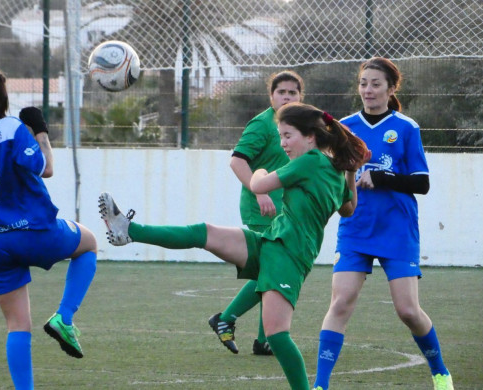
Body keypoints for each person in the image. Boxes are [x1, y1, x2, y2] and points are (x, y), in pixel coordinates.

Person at [99, 101, 370, 389]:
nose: (283, 144)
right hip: (271, 241)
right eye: (280, 136)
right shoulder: (332, 169)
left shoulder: (309, 162)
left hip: (288, 256)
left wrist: (261, 170)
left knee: (277, 336)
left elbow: (257, 186)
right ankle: (128, 230)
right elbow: (350, 207)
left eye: (288, 136)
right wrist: (351, 172)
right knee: (204, 233)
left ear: (311, 136)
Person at [312, 57, 454, 390]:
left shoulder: (406, 127)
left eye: (376, 84)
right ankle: (320, 385)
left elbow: (421, 183)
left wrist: (383, 176)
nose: (368, 90)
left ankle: (440, 372)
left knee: (407, 310)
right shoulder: (344, 128)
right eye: (363, 83)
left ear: (391, 89)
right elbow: (332, 172)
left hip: (396, 229)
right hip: (356, 227)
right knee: (341, 301)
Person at [0, 66, 97, 390]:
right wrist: (41, 132)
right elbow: (46, 168)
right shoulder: (10, 128)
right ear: (2, 98)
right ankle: (64, 317)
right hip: (33, 231)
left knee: (17, 324)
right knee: (88, 243)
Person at [208, 70, 304, 356]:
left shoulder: (296, 125)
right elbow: (237, 161)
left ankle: (263, 339)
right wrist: (259, 192)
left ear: (300, 97)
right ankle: (226, 318)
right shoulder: (262, 125)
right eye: (281, 92)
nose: (287, 97)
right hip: (260, 207)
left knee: (270, 271)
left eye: (292, 92)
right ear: (271, 95)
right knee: (271, 271)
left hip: (283, 210)